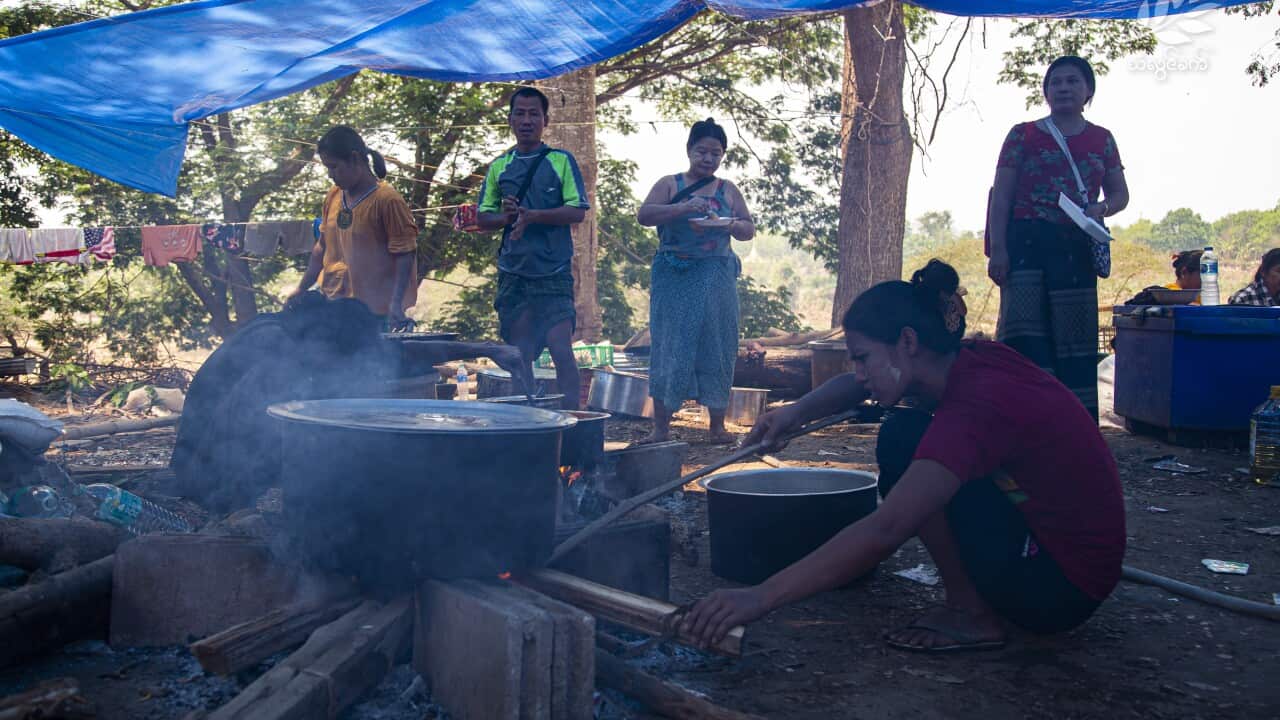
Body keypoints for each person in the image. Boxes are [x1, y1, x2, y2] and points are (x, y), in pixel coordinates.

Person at [681, 260, 1125, 652]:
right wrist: (796, 412)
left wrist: (761, 596)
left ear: (907, 341)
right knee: (906, 434)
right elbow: (860, 384)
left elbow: (887, 528)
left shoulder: (976, 406)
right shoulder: (969, 359)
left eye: (862, 358)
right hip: (1065, 558)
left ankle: (971, 615)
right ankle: (972, 603)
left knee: (905, 443)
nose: (858, 374)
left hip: (1059, 587)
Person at [171, 291, 528, 512]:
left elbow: (397, 353)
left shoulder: (301, 330)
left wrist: (484, 349)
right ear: (324, 341)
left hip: (218, 468)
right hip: (206, 476)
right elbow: (238, 429)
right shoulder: (271, 346)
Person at [986, 56, 1129, 420]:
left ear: (1088, 91)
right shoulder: (1023, 134)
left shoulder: (1103, 139)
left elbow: (1120, 194)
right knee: (1023, 337)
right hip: (1026, 248)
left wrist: (1101, 209)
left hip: (1074, 250)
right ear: (1046, 92)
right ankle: (1021, 421)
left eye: (1072, 82)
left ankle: (1073, 426)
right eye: (1056, 83)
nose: (1063, 88)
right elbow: (1000, 195)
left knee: (1075, 341)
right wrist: (998, 250)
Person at [636, 118, 756, 444]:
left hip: (716, 274)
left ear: (723, 157)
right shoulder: (670, 184)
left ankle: (716, 426)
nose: (708, 158)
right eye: (701, 151)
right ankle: (661, 427)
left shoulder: (727, 190)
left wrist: (727, 223)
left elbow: (747, 229)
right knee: (668, 345)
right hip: (673, 274)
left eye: (715, 153)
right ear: (689, 151)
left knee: (718, 344)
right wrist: (683, 208)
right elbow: (644, 215)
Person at [476, 87, 589, 410]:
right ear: (510, 119)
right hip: (514, 273)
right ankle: (526, 419)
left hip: (552, 270)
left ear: (545, 120)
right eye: (520, 113)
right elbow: (484, 218)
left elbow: (577, 211)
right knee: (519, 353)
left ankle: (573, 418)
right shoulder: (500, 166)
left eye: (533, 114)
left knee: (561, 349)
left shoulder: (560, 161)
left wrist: (535, 215)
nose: (527, 120)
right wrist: (507, 217)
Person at [293, 126, 419, 332]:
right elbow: (321, 247)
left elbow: (404, 255)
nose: (330, 174)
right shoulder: (333, 196)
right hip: (333, 306)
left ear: (354, 159)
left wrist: (395, 304)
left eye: (334, 167)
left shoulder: (387, 200)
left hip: (372, 313)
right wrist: (301, 288)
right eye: (327, 168)